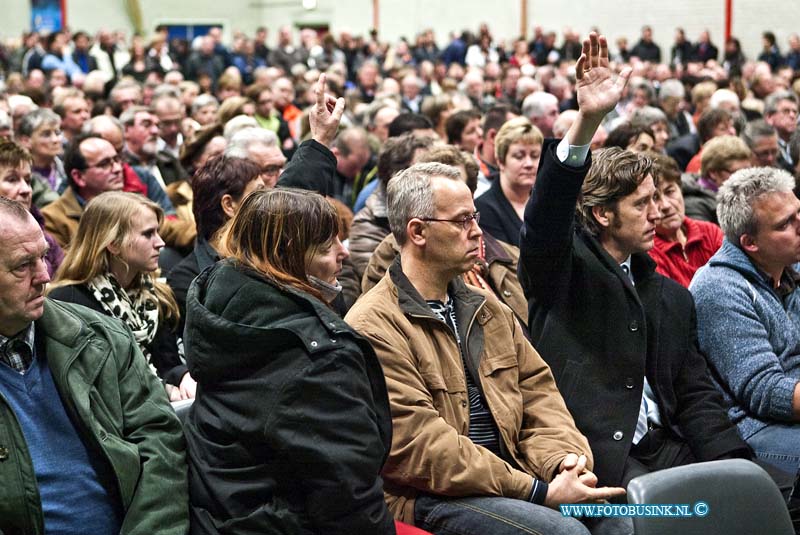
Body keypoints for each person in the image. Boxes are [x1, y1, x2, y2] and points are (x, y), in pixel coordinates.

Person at [519, 31, 757, 491]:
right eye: (641, 204)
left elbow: (694, 392)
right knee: (655, 520)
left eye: (660, 197)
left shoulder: (667, 294)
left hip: (665, 444)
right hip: (595, 455)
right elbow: (546, 217)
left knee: (747, 499)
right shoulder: (562, 274)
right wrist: (587, 121)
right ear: (603, 214)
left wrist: (737, 465)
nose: (660, 211)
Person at [345, 161, 628, 535]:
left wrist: (563, 464)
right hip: (431, 495)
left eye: (475, 216)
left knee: (620, 523)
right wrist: (537, 490)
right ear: (417, 232)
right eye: (462, 221)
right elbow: (422, 448)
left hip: (513, 474)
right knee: (562, 532)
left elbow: (539, 395)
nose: (477, 231)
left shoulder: (486, 307)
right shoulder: (374, 325)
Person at [183, 188, 395, 533]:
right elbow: (347, 496)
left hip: (220, 516)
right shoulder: (321, 358)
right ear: (288, 256)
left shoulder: (223, 305)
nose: (344, 252)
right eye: (328, 246)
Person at [0, 196, 188, 534]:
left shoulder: (99, 336)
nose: (44, 276)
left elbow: (159, 442)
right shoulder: (81, 304)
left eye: (43, 256)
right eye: (22, 266)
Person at [691, 167, 800, 477]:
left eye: (798, 212)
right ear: (750, 243)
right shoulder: (719, 288)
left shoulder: (789, 265)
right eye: (785, 224)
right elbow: (766, 392)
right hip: (758, 429)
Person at [47, 191, 196, 400]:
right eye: (148, 234)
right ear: (114, 244)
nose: (161, 243)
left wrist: (182, 376)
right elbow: (93, 386)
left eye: (158, 232)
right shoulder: (68, 303)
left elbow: (168, 363)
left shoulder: (156, 296)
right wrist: (162, 389)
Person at [167, 155, 264, 332]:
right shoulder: (186, 280)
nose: (268, 201)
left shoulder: (267, 259)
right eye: (259, 193)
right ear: (229, 205)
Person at [647, 151, 723, 287]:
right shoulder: (649, 252)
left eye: (670, 192)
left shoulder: (710, 232)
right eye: (654, 197)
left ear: (680, 189)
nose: (665, 205)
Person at [42, 134, 125, 248]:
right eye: (104, 164)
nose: (117, 168)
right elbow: (66, 265)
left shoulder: (132, 206)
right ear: (79, 177)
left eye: (117, 159)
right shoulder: (52, 219)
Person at [475, 116, 542, 246]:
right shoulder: (483, 209)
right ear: (500, 161)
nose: (529, 163)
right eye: (519, 156)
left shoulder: (546, 202)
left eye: (535, 156)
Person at [0, 139, 63, 276]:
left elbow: (67, 284)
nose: (25, 189)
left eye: (28, 180)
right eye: (12, 180)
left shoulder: (47, 239)